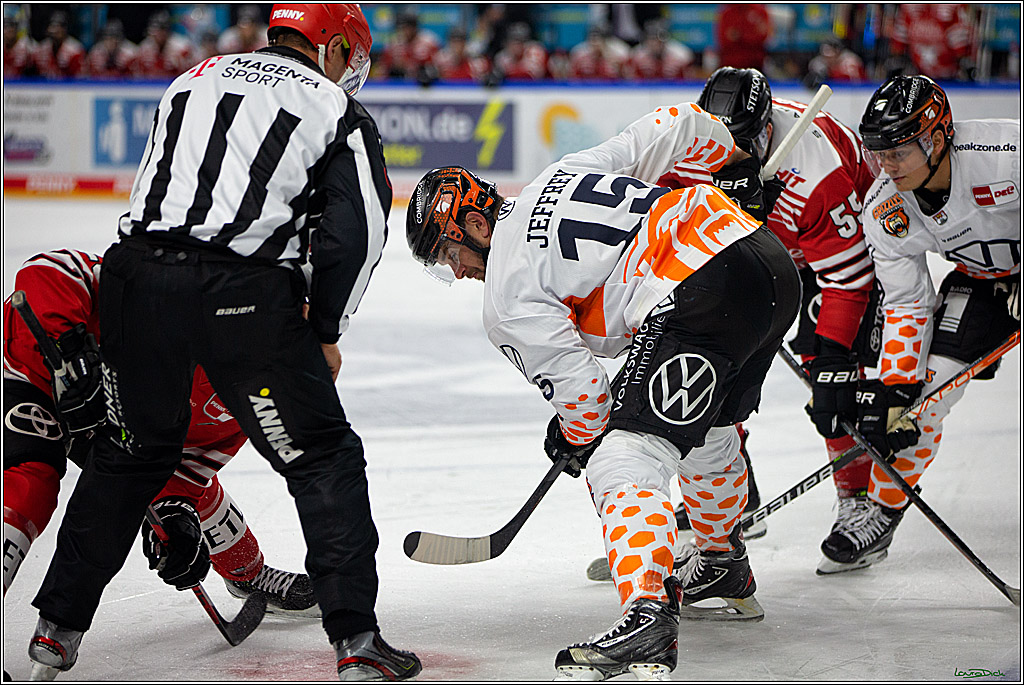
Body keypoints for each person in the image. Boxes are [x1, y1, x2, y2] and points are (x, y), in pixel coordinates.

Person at [27, 4, 421, 682]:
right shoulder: (334, 107)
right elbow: (357, 233)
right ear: (330, 46)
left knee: (129, 454)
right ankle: (357, 640)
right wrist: (326, 329)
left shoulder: (192, 76)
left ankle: (57, 628)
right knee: (322, 457)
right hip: (240, 293)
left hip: (134, 280)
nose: (350, 71)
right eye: (350, 56)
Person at [405, 102, 799, 678]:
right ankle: (721, 562)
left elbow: (588, 406)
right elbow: (674, 124)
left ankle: (648, 616)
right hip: (762, 257)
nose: (458, 272)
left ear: (476, 225)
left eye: (449, 253)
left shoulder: (505, 296)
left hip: (695, 291)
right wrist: (736, 160)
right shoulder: (561, 172)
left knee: (622, 457)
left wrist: (574, 438)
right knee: (707, 431)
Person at [3, 249, 318, 618]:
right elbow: (48, 270)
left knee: (171, 479)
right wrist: (71, 353)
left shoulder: (257, 383)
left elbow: (185, 468)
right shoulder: (171, 292)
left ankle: (246, 572)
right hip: (32, 374)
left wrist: (174, 516)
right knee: (31, 481)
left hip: (112, 419)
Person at [659, 67, 881, 574]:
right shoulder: (688, 146)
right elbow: (658, 212)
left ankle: (859, 500)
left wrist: (833, 356)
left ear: (765, 128)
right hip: (758, 252)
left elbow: (849, 279)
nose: (731, 153)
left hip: (837, 258)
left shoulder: (816, 171)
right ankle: (731, 494)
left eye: (744, 143)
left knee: (833, 376)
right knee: (712, 360)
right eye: (722, 144)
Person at [827, 75, 1020, 572]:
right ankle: (882, 509)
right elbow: (907, 302)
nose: (886, 167)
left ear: (936, 139)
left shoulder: (1007, 153)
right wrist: (896, 386)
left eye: (897, 152)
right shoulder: (885, 209)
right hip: (982, 282)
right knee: (920, 404)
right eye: (879, 154)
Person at [132, 10, 195, 79]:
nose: (160, 34)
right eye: (157, 30)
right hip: (150, 83)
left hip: (174, 82)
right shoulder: (144, 48)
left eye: (163, 30)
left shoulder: (181, 47)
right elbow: (137, 75)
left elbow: (189, 74)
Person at [31, 11, 85, 79]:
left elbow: (79, 79)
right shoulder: (41, 49)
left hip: (68, 85)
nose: (54, 30)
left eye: (57, 26)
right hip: (44, 84)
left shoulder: (75, 50)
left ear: (64, 29)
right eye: (52, 26)